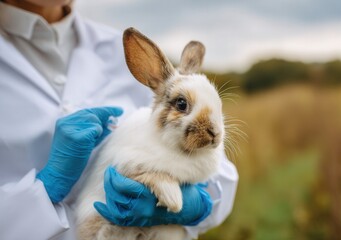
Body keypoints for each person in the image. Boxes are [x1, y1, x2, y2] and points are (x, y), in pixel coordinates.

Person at [0, 0, 238, 239]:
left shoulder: (115, 45)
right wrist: (41, 192)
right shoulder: (136, 52)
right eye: (182, 105)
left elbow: (222, 183)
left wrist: (195, 205)